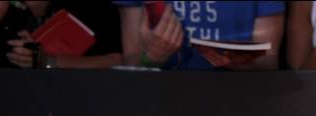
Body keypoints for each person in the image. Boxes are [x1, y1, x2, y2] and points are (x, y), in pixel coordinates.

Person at [115, 0, 285, 70]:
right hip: (160, 97)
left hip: (238, 100)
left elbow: (269, 60)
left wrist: (242, 62)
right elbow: (132, 60)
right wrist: (153, 58)